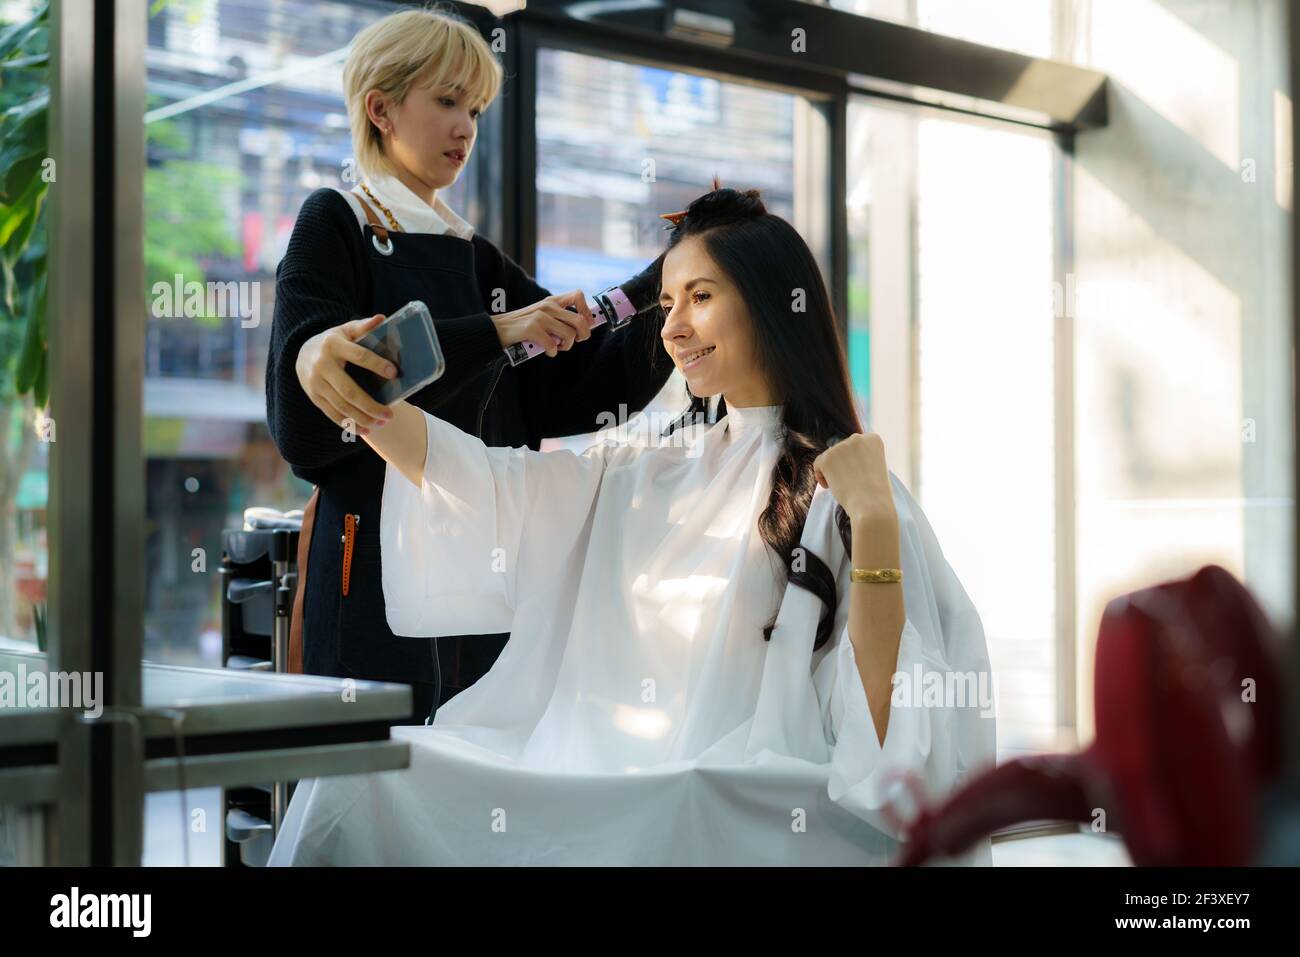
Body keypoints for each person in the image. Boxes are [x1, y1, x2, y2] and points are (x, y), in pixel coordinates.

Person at [268, 187, 997, 866]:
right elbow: (489, 484)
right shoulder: (647, 469)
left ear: (776, 306)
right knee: (356, 774)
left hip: (724, 800)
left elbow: (891, 743)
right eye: (669, 301)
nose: (673, 327)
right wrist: (341, 387)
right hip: (601, 770)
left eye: (701, 297)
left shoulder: (849, 485)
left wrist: (870, 522)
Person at [265, 7, 673, 723]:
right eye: (448, 101)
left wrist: (672, 286)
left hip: (483, 580)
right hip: (370, 586)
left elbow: (581, 386)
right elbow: (318, 416)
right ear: (381, 109)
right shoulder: (335, 223)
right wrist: (495, 329)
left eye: (476, 109)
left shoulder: (474, 255)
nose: (466, 128)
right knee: (375, 798)